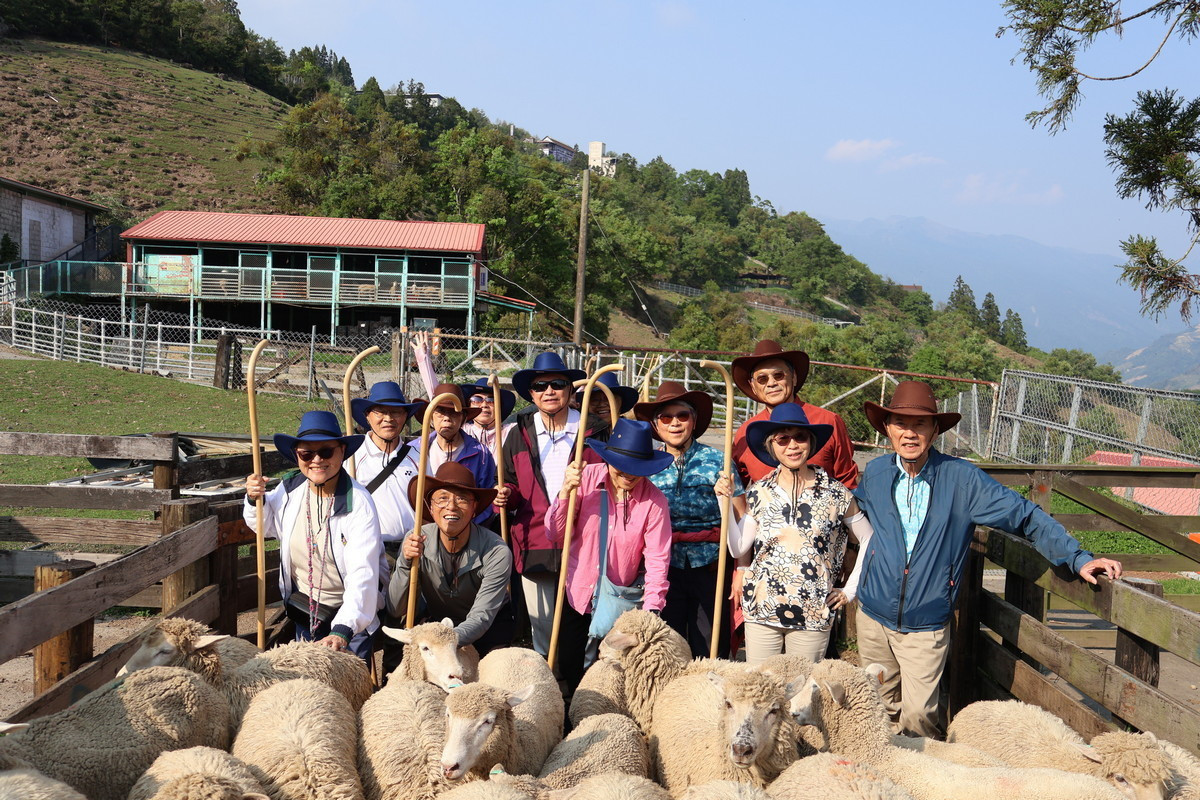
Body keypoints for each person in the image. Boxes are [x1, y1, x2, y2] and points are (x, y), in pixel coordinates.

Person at [853, 381, 1124, 738]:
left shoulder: (961, 480)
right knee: (877, 707)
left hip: (925, 623)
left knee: (919, 717)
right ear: (887, 428)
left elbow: (1025, 515)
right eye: (901, 423)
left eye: (920, 424)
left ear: (935, 430)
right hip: (873, 617)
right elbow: (855, 520)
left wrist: (1077, 558)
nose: (909, 433)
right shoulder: (875, 473)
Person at [720, 403, 872, 666]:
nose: (792, 445)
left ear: (811, 443)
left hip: (813, 612)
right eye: (783, 438)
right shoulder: (759, 492)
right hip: (761, 610)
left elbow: (870, 539)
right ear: (772, 446)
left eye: (800, 437)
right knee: (762, 691)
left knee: (800, 696)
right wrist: (725, 501)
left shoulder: (836, 493)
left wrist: (850, 590)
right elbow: (737, 548)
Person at [493, 352, 612, 658]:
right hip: (535, 539)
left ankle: (581, 685)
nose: (549, 391)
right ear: (531, 394)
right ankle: (549, 680)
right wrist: (504, 494)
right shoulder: (518, 433)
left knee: (585, 617)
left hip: (584, 541)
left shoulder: (595, 430)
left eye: (557, 384)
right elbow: (512, 483)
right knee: (542, 622)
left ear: (570, 390)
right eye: (540, 386)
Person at [243, 410, 384, 662]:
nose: (316, 460)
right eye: (307, 453)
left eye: (326, 452)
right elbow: (265, 527)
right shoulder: (289, 489)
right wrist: (255, 499)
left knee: (348, 690)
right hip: (306, 609)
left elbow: (363, 573)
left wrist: (344, 629)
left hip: (348, 613)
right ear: (297, 456)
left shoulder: (359, 503)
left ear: (341, 452)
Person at [545, 418, 673, 690]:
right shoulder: (585, 479)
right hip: (575, 592)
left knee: (609, 674)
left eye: (636, 469)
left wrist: (651, 611)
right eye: (621, 467)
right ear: (608, 460)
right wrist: (566, 491)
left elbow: (657, 560)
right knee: (569, 666)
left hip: (618, 601)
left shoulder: (654, 502)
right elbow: (555, 533)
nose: (628, 474)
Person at [634, 380, 742, 658]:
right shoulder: (646, 464)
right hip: (663, 565)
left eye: (682, 416)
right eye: (666, 417)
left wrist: (742, 569)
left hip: (710, 565)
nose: (675, 423)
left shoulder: (718, 460)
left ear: (694, 421)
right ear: (656, 426)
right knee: (667, 642)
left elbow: (741, 515)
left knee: (709, 643)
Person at [386, 462, 514, 657]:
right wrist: (404, 562)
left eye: (462, 499)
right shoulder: (416, 539)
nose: (451, 507)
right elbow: (395, 608)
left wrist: (444, 641)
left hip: (487, 629)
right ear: (430, 505)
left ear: (474, 507)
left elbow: (482, 616)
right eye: (442, 498)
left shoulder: (496, 551)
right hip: (437, 625)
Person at [730, 339, 859, 489]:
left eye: (778, 375)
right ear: (753, 386)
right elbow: (736, 490)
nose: (771, 383)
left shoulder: (828, 421)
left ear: (794, 377)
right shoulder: (745, 433)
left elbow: (847, 482)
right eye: (762, 379)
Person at [349, 381, 426, 552]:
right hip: (366, 549)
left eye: (396, 412)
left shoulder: (418, 457)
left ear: (405, 417)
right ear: (368, 416)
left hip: (411, 549)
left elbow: (429, 503)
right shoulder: (352, 456)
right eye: (380, 412)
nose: (389, 419)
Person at [424, 383, 497, 524]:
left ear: (463, 418)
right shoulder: (416, 450)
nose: (446, 418)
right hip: (426, 531)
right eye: (440, 411)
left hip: (467, 531)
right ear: (431, 417)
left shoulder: (480, 454)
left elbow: (486, 501)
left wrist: (465, 529)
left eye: (453, 412)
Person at [460, 377, 517, 462]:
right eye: (476, 399)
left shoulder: (511, 432)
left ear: (499, 407)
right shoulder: (460, 431)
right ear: (469, 406)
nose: (484, 405)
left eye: (491, 400)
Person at [574, 371, 639, 423]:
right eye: (595, 400)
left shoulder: (632, 432)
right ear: (586, 405)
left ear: (620, 402)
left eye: (608, 399)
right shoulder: (579, 432)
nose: (602, 404)